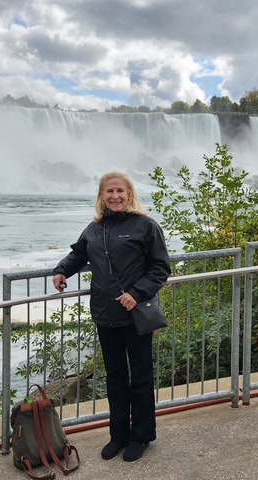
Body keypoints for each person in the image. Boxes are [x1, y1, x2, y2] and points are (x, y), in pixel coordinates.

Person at [52, 171, 171, 462]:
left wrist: (137, 293)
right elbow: (79, 255)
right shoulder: (94, 228)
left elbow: (160, 268)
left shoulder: (145, 226)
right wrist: (61, 270)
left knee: (141, 377)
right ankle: (118, 435)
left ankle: (141, 436)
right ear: (101, 196)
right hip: (104, 315)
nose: (115, 196)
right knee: (115, 378)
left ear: (129, 193)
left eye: (120, 191)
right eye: (109, 192)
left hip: (134, 314)